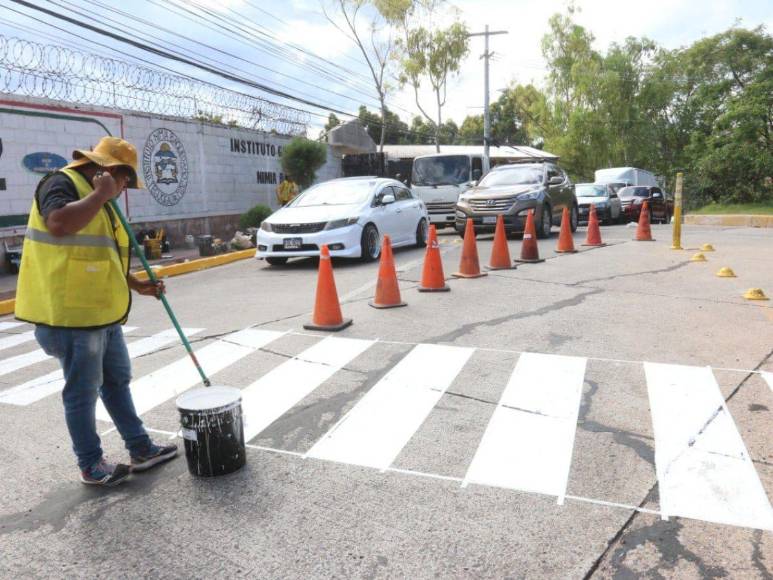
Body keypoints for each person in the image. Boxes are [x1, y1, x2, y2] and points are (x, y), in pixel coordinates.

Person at [15, 136, 178, 487]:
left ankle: (141, 448)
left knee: (117, 381)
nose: (123, 189)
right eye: (125, 181)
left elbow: (98, 256)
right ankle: (91, 464)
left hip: (102, 314)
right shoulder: (60, 182)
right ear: (109, 170)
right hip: (70, 317)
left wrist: (136, 284)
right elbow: (59, 224)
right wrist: (101, 194)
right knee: (82, 393)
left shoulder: (101, 201)